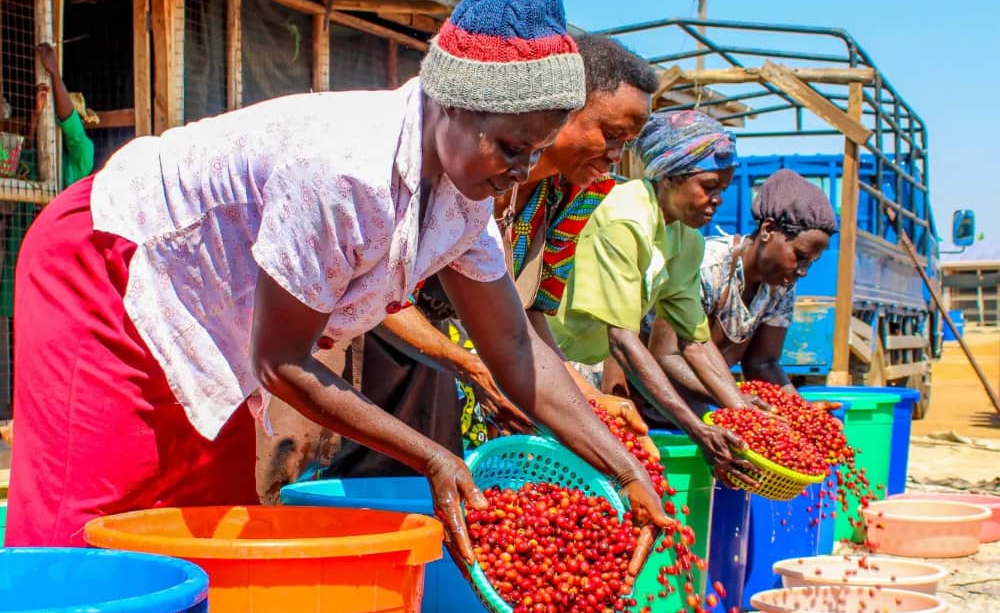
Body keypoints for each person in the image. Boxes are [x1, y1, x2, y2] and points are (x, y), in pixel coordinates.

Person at [6, 0, 670, 573]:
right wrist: (431, 455)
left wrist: (623, 470)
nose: (521, 172)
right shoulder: (344, 168)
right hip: (108, 267)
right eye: (511, 148)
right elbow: (283, 364)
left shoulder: (466, 200)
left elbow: (515, 350)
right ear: (452, 106)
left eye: (536, 152)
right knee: (84, 531)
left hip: (218, 313)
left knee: (203, 533)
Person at [310, 34, 661, 483]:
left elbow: (527, 318)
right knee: (363, 487)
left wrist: (585, 402)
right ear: (562, 108)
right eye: (611, 135)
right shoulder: (474, 171)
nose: (615, 156)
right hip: (375, 345)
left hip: (457, 364)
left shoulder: (577, 194)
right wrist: (468, 363)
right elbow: (374, 294)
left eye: (627, 143)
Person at [549, 109, 757, 484]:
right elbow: (624, 343)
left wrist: (743, 411)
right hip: (546, 360)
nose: (717, 200)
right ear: (669, 177)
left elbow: (694, 341)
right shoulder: (624, 217)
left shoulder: (687, 240)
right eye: (708, 187)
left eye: (722, 190)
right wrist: (696, 429)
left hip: (582, 370)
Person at [647, 168, 837, 403]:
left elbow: (762, 361)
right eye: (799, 256)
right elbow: (666, 355)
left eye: (810, 262)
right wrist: (734, 399)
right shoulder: (707, 267)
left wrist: (799, 411)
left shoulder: (780, 286)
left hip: (704, 401)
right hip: (648, 397)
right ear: (767, 230)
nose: (803, 271)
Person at [0, 42, 96, 428]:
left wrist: (55, 75)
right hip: (25, 260)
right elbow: (6, 163)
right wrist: (33, 119)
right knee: (17, 335)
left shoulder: (80, 156)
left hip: (60, 269)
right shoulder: (30, 161)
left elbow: (71, 129)